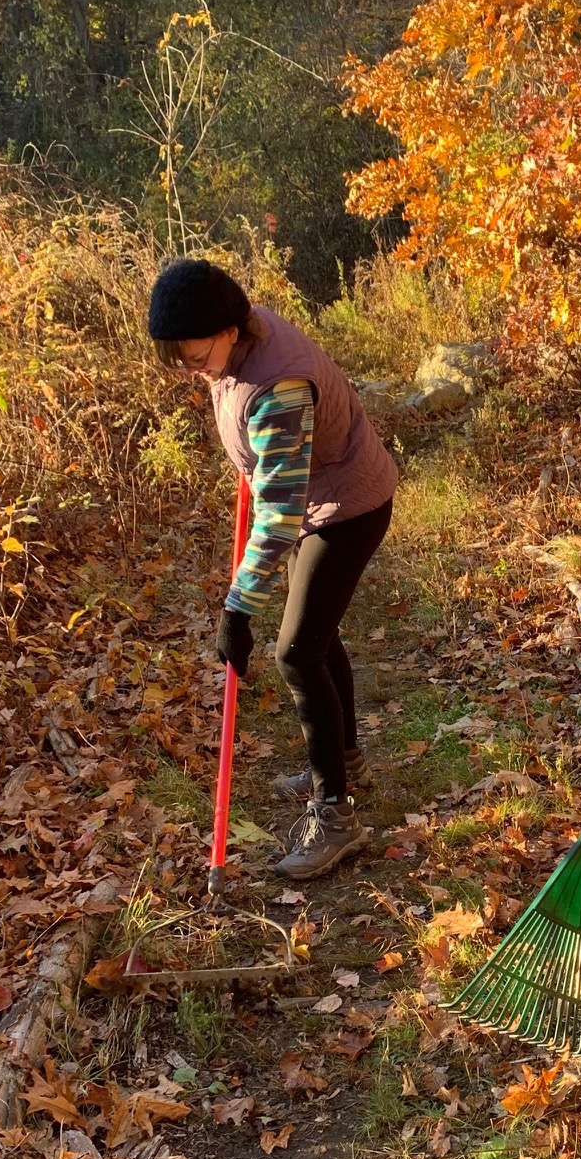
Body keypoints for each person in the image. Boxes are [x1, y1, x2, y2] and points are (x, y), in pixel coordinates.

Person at [147, 258, 398, 880]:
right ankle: (346, 760)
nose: (185, 362)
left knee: (296, 650)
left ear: (231, 329)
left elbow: (281, 517)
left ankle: (336, 817)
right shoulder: (232, 341)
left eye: (192, 349)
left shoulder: (279, 386)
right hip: (318, 496)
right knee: (318, 633)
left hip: (346, 506)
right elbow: (261, 451)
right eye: (173, 350)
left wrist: (238, 607)